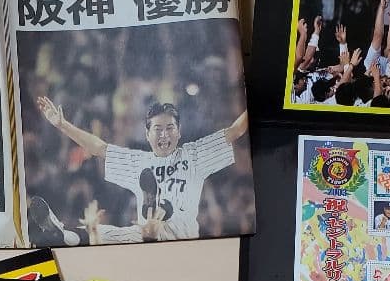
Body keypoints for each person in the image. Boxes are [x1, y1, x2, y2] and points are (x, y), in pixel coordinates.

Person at [30, 98, 248, 244]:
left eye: (170, 128)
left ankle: (157, 208)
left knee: (159, 217)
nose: (164, 135)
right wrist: (62, 125)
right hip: (146, 237)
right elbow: (99, 148)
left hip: (182, 238)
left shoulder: (194, 155)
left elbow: (236, 130)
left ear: (179, 132)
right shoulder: (139, 161)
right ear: (147, 134)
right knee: (100, 232)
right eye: (158, 129)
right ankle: (63, 234)